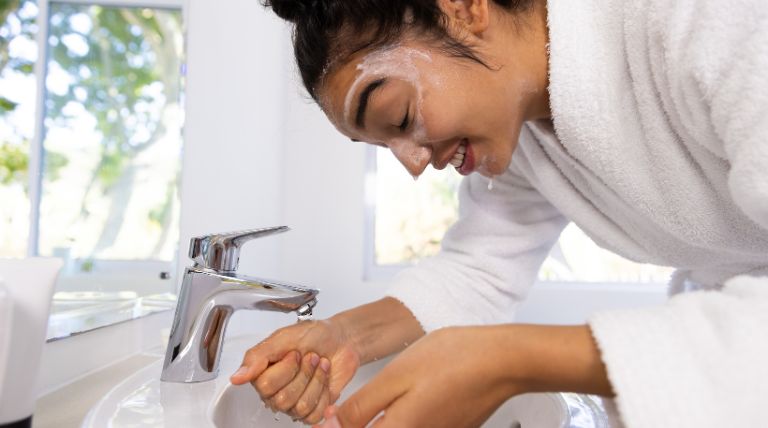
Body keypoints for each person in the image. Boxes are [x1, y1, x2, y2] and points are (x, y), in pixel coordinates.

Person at [229, 0, 768, 426]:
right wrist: (343, 336)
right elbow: (477, 272)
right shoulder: (527, 134)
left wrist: (507, 360)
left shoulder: (704, 16)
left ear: (463, 7)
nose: (414, 164)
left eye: (398, 115)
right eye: (383, 146)